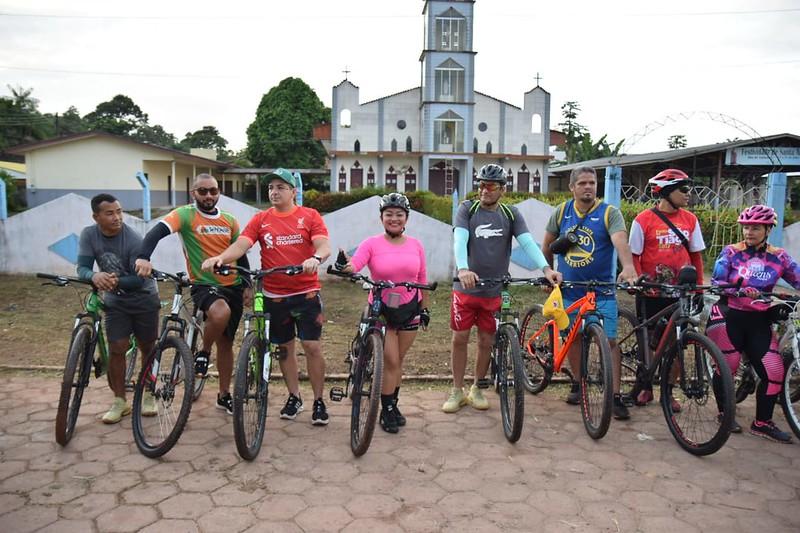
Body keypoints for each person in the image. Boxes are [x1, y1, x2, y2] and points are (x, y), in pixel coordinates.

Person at [201, 168, 332, 426]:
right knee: (284, 349)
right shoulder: (261, 219)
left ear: (294, 192)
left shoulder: (310, 216)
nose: (274, 191)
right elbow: (242, 245)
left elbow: (323, 245)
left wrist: (315, 258)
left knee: (312, 346)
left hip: (306, 293)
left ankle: (318, 400)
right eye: (271, 187)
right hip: (274, 295)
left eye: (281, 187)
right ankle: (294, 397)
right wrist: (221, 258)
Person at [443, 164, 561, 413]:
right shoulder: (467, 209)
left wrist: (546, 269)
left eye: (491, 186)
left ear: (502, 190)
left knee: (487, 340)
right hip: (465, 290)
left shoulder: (510, 214)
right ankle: (456, 390)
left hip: (495, 290)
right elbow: (460, 239)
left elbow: (528, 243)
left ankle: (477, 388)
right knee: (460, 338)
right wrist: (463, 269)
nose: (484, 190)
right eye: (481, 185)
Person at [135, 174, 249, 415]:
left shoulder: (229, 220)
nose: (208, 196)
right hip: (204, 283)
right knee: (220, 314)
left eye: (213, 191)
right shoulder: (184, 215)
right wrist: (144, 256)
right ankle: (203, 353)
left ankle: (223, 394)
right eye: (203, 191)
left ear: (218, 192)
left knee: (227, 343)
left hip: (234, 285)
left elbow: (241, 252)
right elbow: (155, 233)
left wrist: (247, 283)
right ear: (193, 193)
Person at [542, 166, 639, 420]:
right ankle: (578, 382)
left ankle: (615, 395)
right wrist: (548, 273)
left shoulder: (609, 213)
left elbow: (620, 241)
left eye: (592, 183)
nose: (588, 187)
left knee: (609, 342)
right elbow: (546, 246)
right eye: (583, 183)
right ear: (572, 187)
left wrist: (628, 266)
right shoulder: (561, 212)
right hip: (570, 291)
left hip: (602, 292)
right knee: (572, 339)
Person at [707, 204, 800, 443]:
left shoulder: (779, 257)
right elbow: (717, 283)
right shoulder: (730, 252)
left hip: (758, 319)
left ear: (768, 229)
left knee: (775, 370)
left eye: (755, 228)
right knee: (728, 365)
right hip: (728, 315)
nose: (749, 232)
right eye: (746, 227)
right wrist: (739, 290)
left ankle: (762, 423)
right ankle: (724, 412)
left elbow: (797, 278)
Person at [339, 193, 431, 433]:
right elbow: (356, 265)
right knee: (389, 361)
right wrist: (344, 265)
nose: (394, 218)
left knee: (398, 361)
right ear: (381, 218)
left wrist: (425, 308)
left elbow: (422, 278)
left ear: (406, 219)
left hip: (410, 308)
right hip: (381, 309)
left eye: (399, 215)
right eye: (389, 214)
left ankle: (392, 404)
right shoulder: (371, 244)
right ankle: (386, 410)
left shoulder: (416, 245)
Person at [78, 194, 160, 423]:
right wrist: (94, 275)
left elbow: (140, 279)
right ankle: (119, 401)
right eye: (110, 213)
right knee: (117, 347)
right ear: (96, 217)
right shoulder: (89, 235)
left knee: (147, 347)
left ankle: (149, 394)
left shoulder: (134, 239)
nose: (117, 217)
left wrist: (113, 282)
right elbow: (82, 268)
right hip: (116, 303)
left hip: (144, 298)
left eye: (119, 211)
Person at [628, 168, 706, 409]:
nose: (688, 194)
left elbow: (696, 256)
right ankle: (646, 387)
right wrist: (638, 282)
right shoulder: (643, 220)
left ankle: (668, 392)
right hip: (651, 291)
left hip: (679, 293)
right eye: (683, 190)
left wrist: (699, 288)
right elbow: (634, 256)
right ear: (666, 192)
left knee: (676, 342)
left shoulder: (690, 220)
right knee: (649, 343)